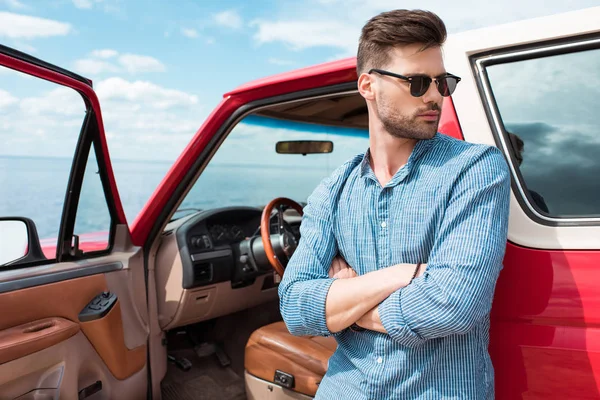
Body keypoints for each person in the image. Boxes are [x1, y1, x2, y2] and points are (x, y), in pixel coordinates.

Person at [278, 9, 511, 399]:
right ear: (368, 85)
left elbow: (453, 304)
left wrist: (345, 309)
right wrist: (399, 275)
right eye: (418, 82)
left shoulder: (474, 170)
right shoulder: (332, 190)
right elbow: (296, 308)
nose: (435, 95)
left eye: (441, 82)